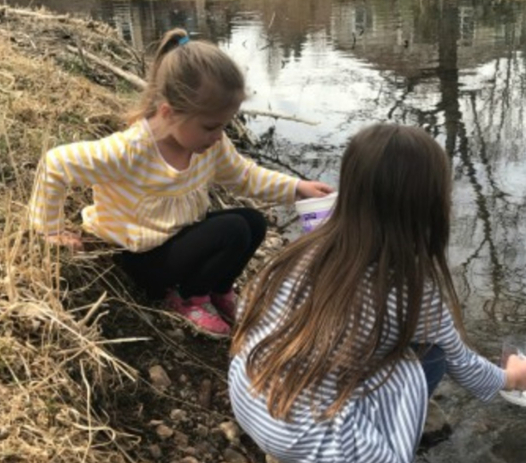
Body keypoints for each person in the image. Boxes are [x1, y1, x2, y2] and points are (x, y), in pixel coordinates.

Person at [228, 123, 526, 463]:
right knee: (423, 362)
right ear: (428, 207)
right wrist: (511, 378)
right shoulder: (411, 288)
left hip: (250, 398)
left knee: (382, 347)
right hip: (297, 434)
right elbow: (462, 364)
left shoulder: (309, 246)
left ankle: (329, 436)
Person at [28, 28, 332, 339]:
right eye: (210, 127)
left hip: (178, 242)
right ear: (168, 113)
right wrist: (50, 229)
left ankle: (217, 290)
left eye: (224, 126)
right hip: (140, 258)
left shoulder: (210, 144)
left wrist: (297, 187)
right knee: (233, 230)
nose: (218, 136)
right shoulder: (130, 150)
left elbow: (245, 175)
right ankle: (187, 297)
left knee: (253, 222)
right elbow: (56, 164)